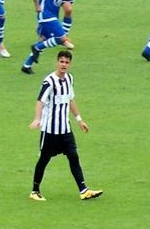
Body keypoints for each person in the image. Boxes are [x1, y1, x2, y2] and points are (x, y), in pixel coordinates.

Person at [28, 51, 103, 201]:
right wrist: (37, 119)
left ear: (70, 64)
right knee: (44, 159)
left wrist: (79, 120)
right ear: (57, 62)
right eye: (61, 62)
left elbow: (71, 100)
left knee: (74, 157)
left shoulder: (69, 79)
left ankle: (84, 190)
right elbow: (40, 101)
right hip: (50, 130)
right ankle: (35, 191)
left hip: (65, 129)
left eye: (67, 62)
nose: (64, 65)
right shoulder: (49, 81)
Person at [21, 0, 80, 74]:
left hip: (54, 15)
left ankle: (26, 66)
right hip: (45, 14)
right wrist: (37, 4)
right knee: (62, 39)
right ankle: (36, 48)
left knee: (43, 40)